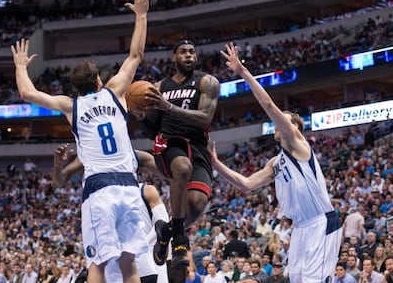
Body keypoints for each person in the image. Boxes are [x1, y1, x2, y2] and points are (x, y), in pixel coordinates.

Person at [12, 0, 151, 283]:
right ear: (100, 80)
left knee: (97, 265)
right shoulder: (115, 92)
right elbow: (136, 54)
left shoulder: (70, 106)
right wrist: (141, 15)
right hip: (129, 185)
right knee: (130, 264)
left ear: (77, 87)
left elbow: (26, 92)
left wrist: (21, 65)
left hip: (99, 188)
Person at [210, 42, 342, 282]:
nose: (281, 121)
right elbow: (246, 184)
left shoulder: (299, 144)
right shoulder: (275, 162)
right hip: (301, 227)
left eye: (287, 119)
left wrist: (243, 72)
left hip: (321, 221)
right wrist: (217, 164)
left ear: (295, 128)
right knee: (297, 279)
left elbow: (269, 105)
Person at [142, 40, 220, 269]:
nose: (188, 56)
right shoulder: (159, 86)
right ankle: (179, 239)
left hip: (197, 147)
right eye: (183, 52)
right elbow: (150, 129)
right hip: (167, 144)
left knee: (196, 205)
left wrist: (170, 108)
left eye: (192, 52)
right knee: (182, 167)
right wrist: (142, 115)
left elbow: (205, 118)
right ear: (174, 57)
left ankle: (165, 231)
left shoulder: (207, 82)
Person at [53, 144, 169, 283]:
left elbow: (163, 221)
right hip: (106, 249)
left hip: (140, 257)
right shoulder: (87, 153)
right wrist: (58, 166)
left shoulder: (144, 186)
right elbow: (58, 181)